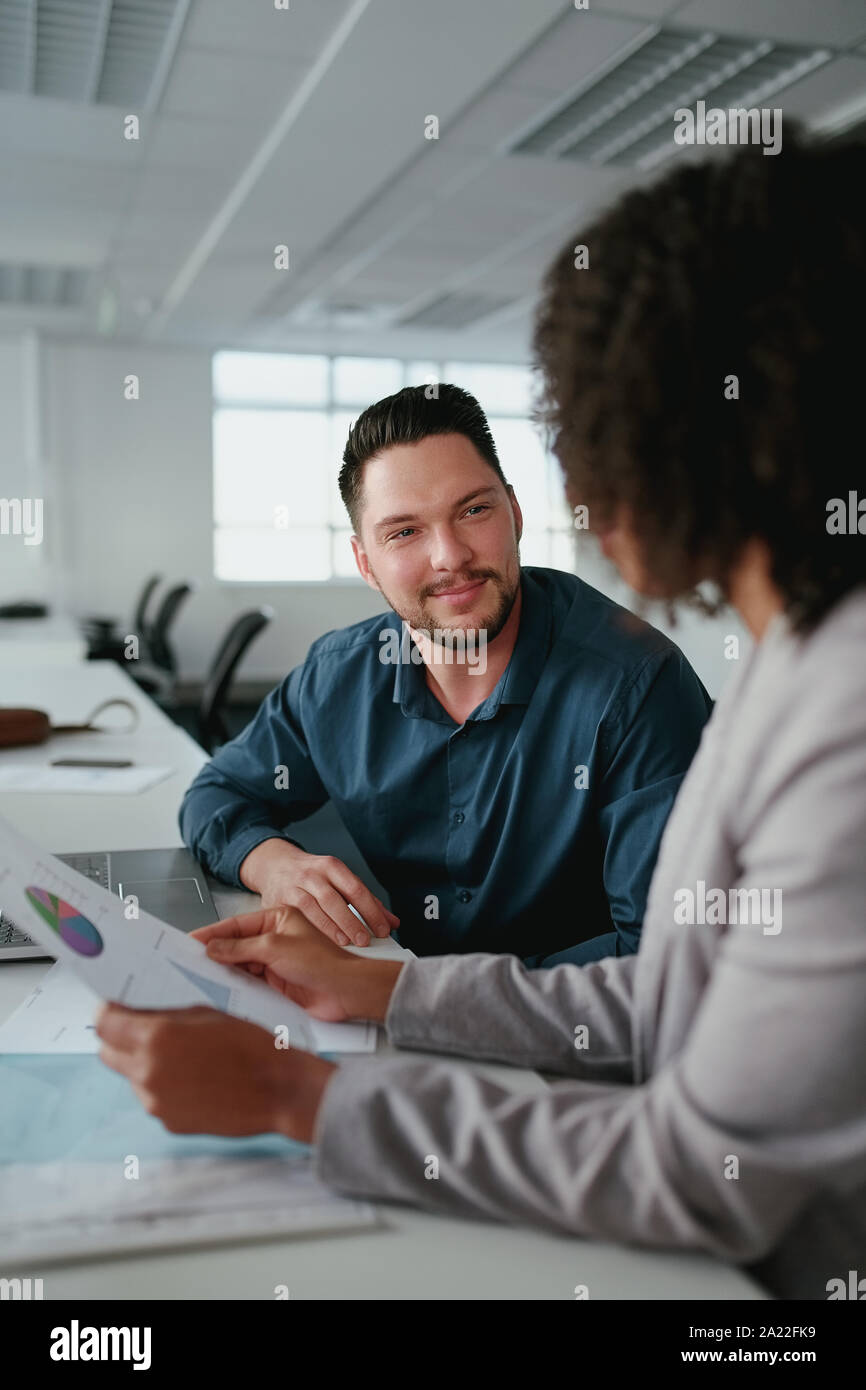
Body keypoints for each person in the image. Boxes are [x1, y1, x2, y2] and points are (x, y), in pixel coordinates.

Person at [98, 129, 866, 1299]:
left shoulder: (752, 703)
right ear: (362, 558)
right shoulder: (796, 653)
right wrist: (391, 988)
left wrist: (293, 1094)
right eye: (406, 530)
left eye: (493, 504)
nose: (583, 499)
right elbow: (687, 988)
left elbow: (702, 1164)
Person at [180, 385, 710, 966]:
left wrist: (412, 1000)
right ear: (365, 563)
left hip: (580, 1040)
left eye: (474, 510)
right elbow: (216, 795)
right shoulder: (339, 678)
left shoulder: (639, 687)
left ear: (516, 513)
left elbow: (666, 958)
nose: (449, 557)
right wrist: (273, 862)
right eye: (404, 532)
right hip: (408, 1012)